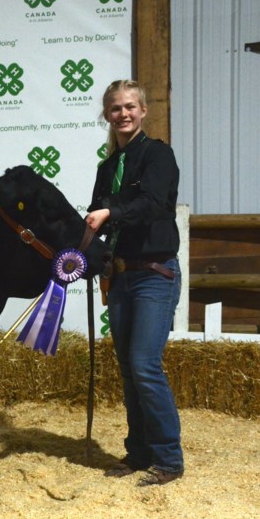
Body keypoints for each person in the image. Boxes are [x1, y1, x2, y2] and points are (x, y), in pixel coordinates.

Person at [85, 80, 183, 486]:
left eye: (129, 106)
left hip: (155, 274)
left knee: (144, 365)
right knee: (128, 369)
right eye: (115, 108)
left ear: (143, 111)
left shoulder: (158, 155)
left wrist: (109, 211)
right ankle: (138, 452)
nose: (123, 114)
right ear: (107, 115)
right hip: (122, 276)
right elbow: (96, 211)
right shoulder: (107, 168)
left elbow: (154, 204)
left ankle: (169, 459)